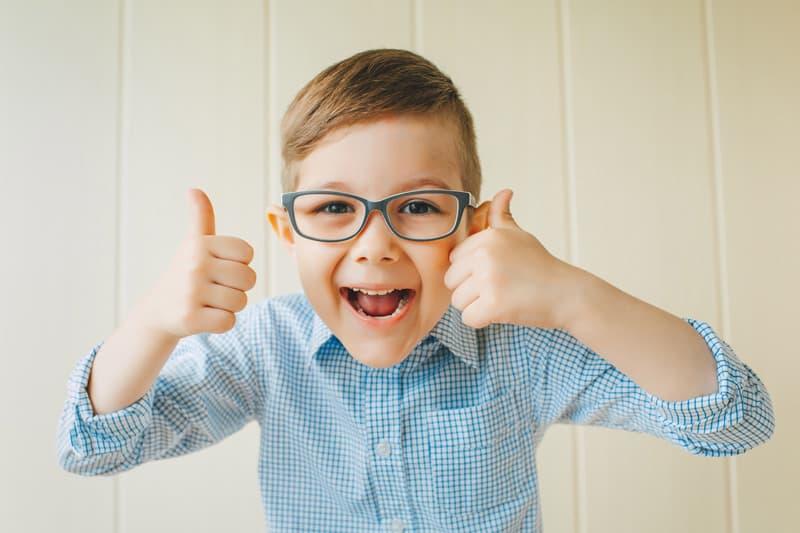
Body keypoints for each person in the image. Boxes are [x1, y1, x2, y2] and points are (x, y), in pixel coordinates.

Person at [57, 48, 774, 532]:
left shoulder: (519, 347)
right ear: (288, 230)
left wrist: (571, 295)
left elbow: (733, 417)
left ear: (475, 225)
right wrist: (151, 323)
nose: (376, 243)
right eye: (335, 208)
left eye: (421, 206)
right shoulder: (263, 348)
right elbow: (93, 448)